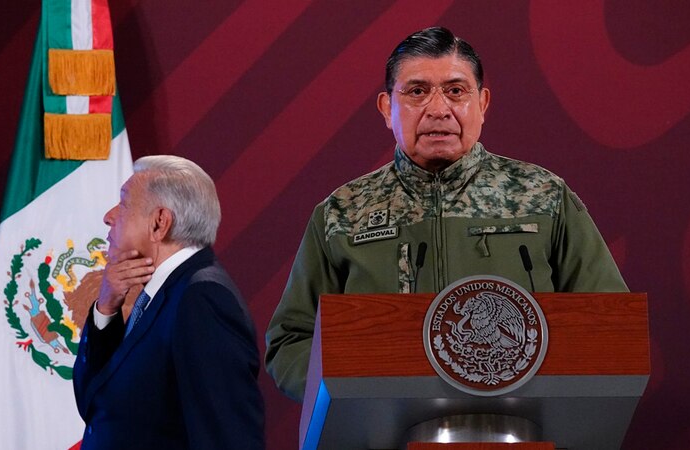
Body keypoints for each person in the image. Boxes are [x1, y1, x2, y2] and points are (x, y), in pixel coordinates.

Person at [264, 27, 628, 402]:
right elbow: (292, 339)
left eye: (456, 91)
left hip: (520, 428)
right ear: (387, 108)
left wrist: (540, 393)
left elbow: (609, 322)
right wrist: (356, 395)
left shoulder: (544, 197)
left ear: (482, 104)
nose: (438, 110)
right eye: (417, 92)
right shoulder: (342, 213)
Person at [73, 155, 264, 449]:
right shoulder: (165, 294)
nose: (109, 216)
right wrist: (106, 308)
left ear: (160, 223)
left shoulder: (202, 299)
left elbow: (227, 437)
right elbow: (96, 404)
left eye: (124, 204)